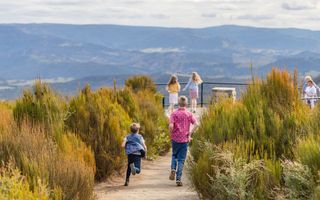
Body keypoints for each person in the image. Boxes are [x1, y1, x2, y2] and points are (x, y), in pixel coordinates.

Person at [169, 96, 197, 186]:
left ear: (178, 103)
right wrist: (190, 133)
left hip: (175, 138)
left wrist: (171, 133)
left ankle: (173, 168)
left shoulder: (174, 113)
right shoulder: (189, 114)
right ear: (186, 104)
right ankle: (178, 179)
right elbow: (196, 124)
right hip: (185, 139)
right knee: (181, 160)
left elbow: (170, 126)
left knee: (174, 155)